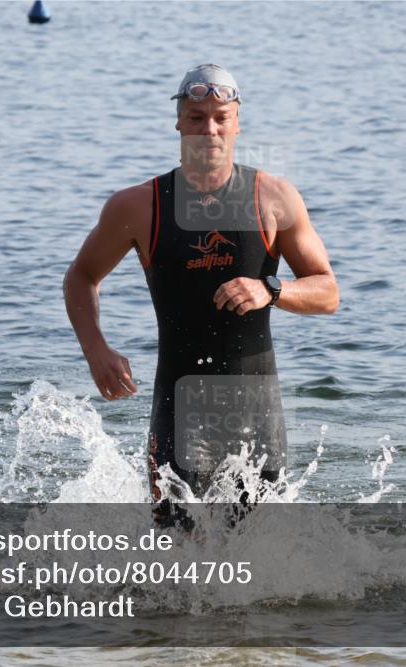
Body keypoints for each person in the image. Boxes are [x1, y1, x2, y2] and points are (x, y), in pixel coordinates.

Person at [63, 64, 338, 517]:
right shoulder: (138, 205)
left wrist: (272, 288)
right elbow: (81, 277)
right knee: (174, 556)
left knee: (262, 561)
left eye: (219, 117)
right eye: (196, 117)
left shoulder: (274, 197)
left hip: (257, 413)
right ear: (177, 121)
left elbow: (327, 291)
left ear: (236, 122)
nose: (208, 129)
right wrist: (96, 350)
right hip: (177, 411)